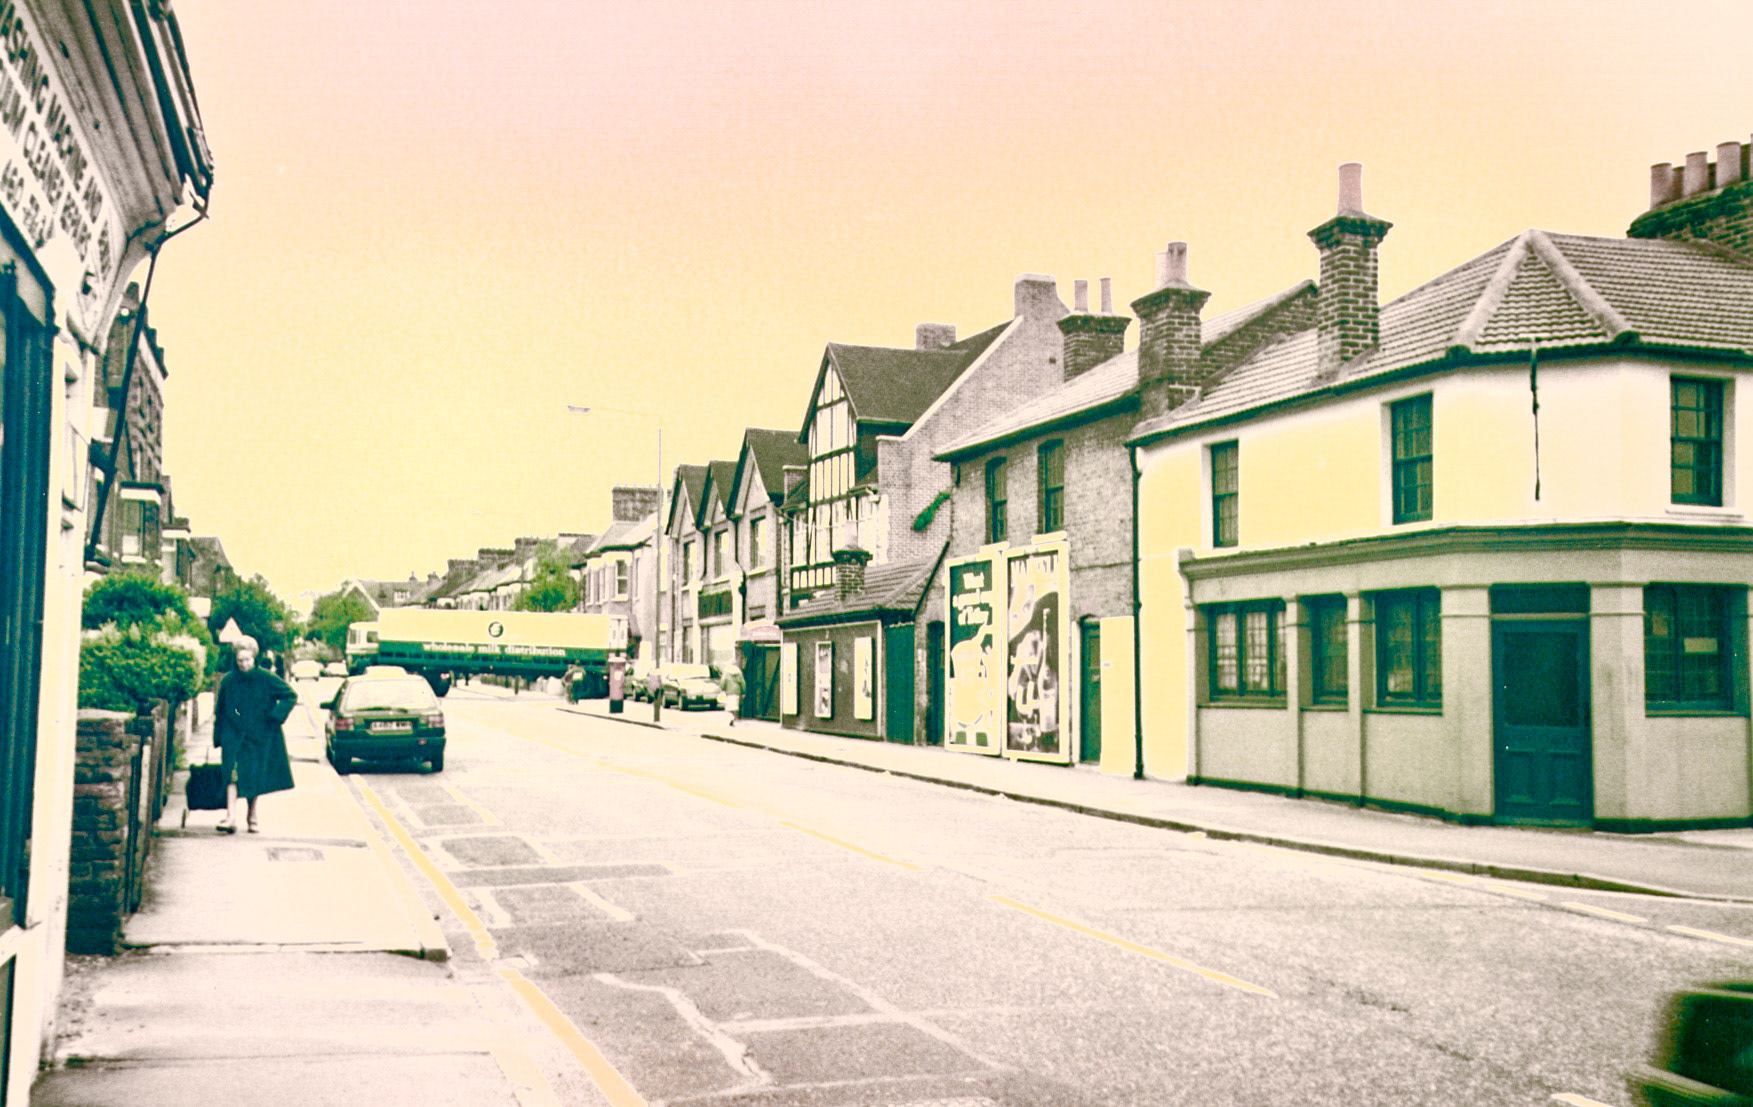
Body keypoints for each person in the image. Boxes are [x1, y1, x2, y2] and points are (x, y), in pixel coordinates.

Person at [213, 636, 298, 834]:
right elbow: (221, 710)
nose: (243, 664)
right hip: (233, 736)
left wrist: (274, 717)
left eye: (247, 660)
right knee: (231, 774)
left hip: (258, 736)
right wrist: (218, 736)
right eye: (240, 660)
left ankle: (252, 815)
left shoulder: (266, 679)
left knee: (252, 776)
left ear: (254, 658)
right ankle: (231, 817)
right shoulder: (228, 681)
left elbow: (290, 695)